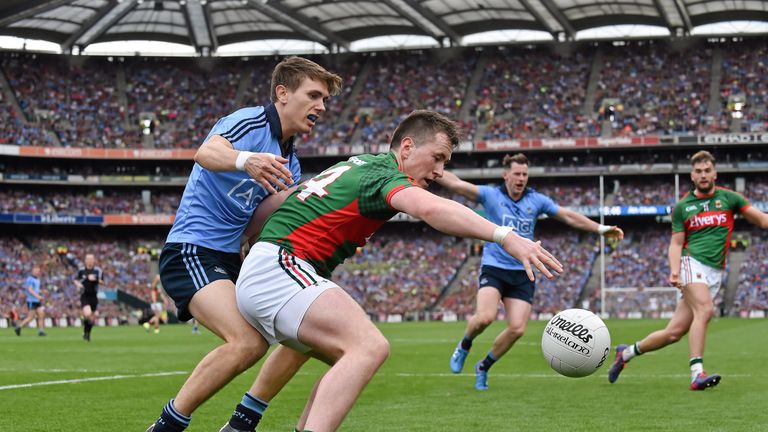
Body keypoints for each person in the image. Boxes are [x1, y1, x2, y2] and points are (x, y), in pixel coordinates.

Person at [232, 110, 563, 432]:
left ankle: (241, 423)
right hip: (281, 265)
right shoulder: (386, 175)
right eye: (437, 158)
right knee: (368, 347)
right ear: (407, 147)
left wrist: (242, 239)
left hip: (269, 264)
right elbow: (430, 208)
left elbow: (288, 198)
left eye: (444, 163)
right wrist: (505, 236)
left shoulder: (358, 163)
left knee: (314, 346)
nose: (439, 171)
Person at [145, 56, 342, 432]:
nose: (321, 106)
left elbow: (256, 224)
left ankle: (242, 421)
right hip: (192, 249)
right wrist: (246, 160)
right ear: (282, 94)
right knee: (247, 343)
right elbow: (206, 153)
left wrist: (306, 206)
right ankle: (169, 427)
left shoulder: (292, 163)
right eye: (314, 95)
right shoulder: (249, 122)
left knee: (302, 330)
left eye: (325, 99)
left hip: (232, 259)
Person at [442, 153, 624, 390]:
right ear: (505, 174)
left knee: (517, 328)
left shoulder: (536, 200)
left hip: (522, 270)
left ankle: (483, 367)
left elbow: (567, 215)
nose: (521, 178)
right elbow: (456, 184)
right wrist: (432, 168)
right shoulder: (491, 195)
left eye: (525, 174)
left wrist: (601, 228)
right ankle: (465, 345)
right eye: (516, 174)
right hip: (494, 267)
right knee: (485, 317)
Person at [608, 150, 768, 390]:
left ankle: (626, 353)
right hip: (691, 263)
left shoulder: (730, 199)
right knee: (705, 309)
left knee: (673, 333)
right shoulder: (683, 206)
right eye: (698, 171)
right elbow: (675, 243)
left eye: (707, 170)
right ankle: (697, 373)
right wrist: (674, 271)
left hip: (714, 272)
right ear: (692, 176)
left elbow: (763, 220)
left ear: (715, 173)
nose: (703, 175)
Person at [74, 254, 104, 342]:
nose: (90, 261)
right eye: (88, 259)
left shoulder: (98, 270)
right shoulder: (81, 270)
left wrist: (95, 279)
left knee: (92, 318)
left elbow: (102, 282)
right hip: (85, 296)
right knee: (88, 314)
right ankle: (86, 333)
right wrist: (78, 284)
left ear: (94, 260)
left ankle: (86, 333)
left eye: (92, 259)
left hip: (94, 296)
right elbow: (76, 279)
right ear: (85, 260)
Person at [14, 265, 46, 337]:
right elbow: (30, 290)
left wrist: (41, 291)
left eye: (38, 271)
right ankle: (19, 327)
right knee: (30, 317)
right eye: (36, 271)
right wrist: (38, 296)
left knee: (41, 314)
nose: (37, 272)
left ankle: (41, 331)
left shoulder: (37, 279)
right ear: (33, 271)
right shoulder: (30, 279)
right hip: (32, 301)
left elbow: (35, 289)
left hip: (36, 301)